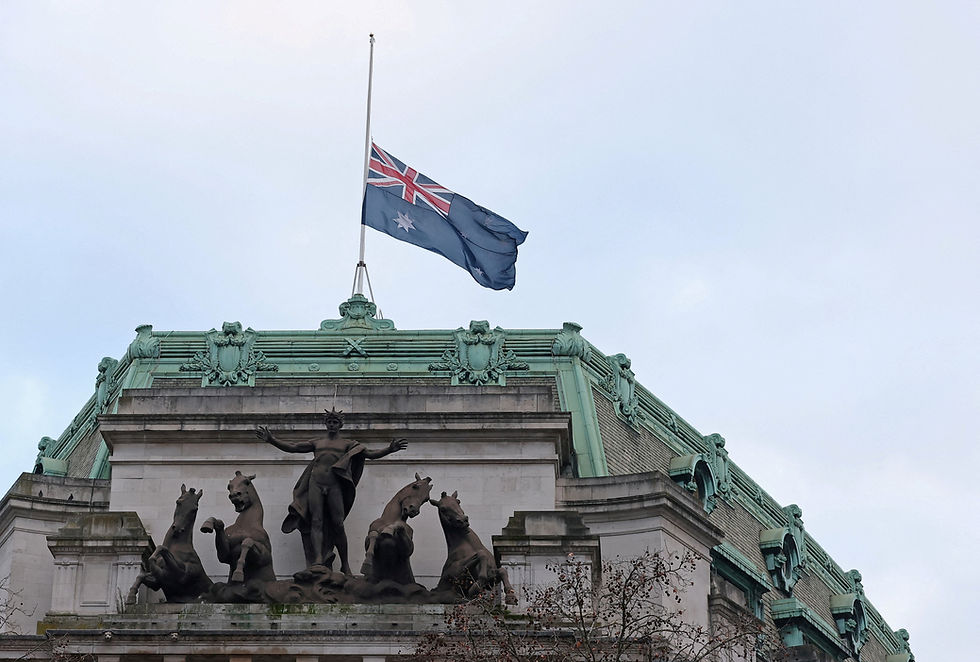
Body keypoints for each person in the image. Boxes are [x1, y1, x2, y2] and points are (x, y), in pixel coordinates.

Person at [256, 408, 407, 575]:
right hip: (316, 484)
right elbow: (293, 448)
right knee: (316, 521)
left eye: (335, 422)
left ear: (340, 425)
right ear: (326, 424)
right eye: (330, 422)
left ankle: (345, 564)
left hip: (334, 486)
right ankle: (318, 560)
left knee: (338, 523)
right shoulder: (317, 443)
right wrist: (272, 440)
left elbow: (370, 454)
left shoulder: (348, 444)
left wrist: (389, 449)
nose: (332, 425)